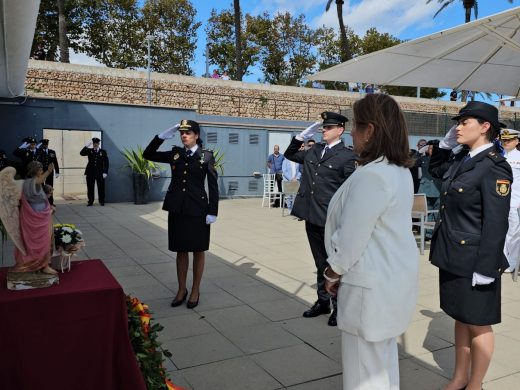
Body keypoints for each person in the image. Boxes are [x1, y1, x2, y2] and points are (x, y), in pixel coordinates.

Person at [323, 93, 419, 390]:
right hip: (387, 283)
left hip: (369, 288)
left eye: (356, 125)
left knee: (364, 374)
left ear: (372, 130)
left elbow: (353, 237)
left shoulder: (374, 175)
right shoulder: (399, 171)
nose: (352, 131)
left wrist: (332, 272)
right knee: (382, 366)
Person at [428, 101, 512, 390]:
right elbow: (435, 170)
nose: (458, 127)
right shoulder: (463, 158)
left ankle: (475, 384)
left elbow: (496, 222)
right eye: (457, 122)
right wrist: (444, 145)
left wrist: (487, 267)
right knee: (461, 317)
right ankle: (460, 376)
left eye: (464, 122)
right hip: (453, 254)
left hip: (475, 259)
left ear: (485, 126)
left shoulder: (494, 166)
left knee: (478, 323)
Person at [284, 111, 356, 327]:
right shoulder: (313, 150)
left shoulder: (347, 156)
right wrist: (301, 137)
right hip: (311, 215)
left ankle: (338, 305)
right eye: (323, 127)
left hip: (331, 218)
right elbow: (289, 154)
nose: (324, 130)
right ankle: (323, 301)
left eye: (328, 127)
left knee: (333, 263)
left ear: (340, 130)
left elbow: (349, 192)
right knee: (319, 262)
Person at [143, 119, 219, 309]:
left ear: (196, 135)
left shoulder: (207, 156)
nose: (184, 136)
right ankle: (181, 289)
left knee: (198, 250)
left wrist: (213, 211)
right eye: (181, 133)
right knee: (181, 249)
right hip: (177, 208)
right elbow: (147, 154)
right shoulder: (175, 154)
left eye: (188, 133)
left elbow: (213, 186)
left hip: (198, 210)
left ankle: (195, 289)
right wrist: (162, 136)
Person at [13, 161, 57, 275]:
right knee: (42, 241)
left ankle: (42, 264)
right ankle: (42, 265)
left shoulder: (29, 182)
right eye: (40, 169)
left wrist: (49, 208)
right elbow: (40, 180)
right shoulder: (31, 182)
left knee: (40, 241)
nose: (41, 171)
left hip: (37, 216)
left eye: (42, 169)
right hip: (36, 218)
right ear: (35, 170)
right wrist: (49, 171)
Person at [500, 129, 520, 273]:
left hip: (515, 201)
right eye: (504, 140)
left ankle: (511, 262)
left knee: (513, 232)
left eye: (509, 140)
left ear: (517, 141)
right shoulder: (497, 156)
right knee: (498, 231)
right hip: (498, 201)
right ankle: (500, 259)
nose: (506, 142)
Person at [80, 137, 109, 206]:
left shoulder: (103, 152)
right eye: (94, 143)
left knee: (101, 187)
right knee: (90, 187)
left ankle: (102, 201)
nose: (95, 144)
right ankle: (90, 201)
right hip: (90, 172)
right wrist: (87, 146)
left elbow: (106, 162)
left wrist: (105, 172)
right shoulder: (90, 151)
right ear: (92, 144)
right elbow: (81, 153)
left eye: (96, 143)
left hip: (100, 172)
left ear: (99, 143)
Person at [37, 139, 60, 206]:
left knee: (49, 186)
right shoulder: (39, 151)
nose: (45, 146)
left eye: (46, 144)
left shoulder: (52, 152)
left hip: (50, 172)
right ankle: (42, 202)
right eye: (44, 144)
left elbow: (55, 162)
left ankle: (50, 202)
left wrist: (57, 171)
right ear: (42, 145)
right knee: (41, 186)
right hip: (41, 172)